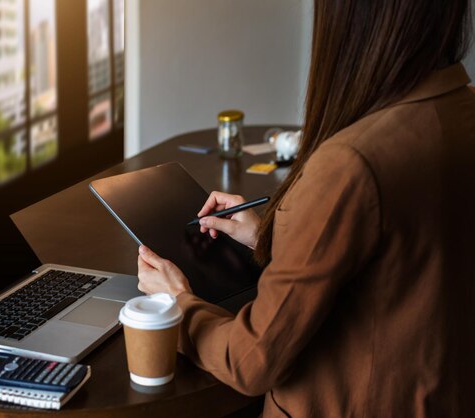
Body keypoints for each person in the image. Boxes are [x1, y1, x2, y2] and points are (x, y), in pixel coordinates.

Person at [136, 0, 475, 416]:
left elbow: (250, 361)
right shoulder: (462, 110)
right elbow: (402, 268)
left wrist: (179, 304)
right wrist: (270, 237)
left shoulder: (352, 162)